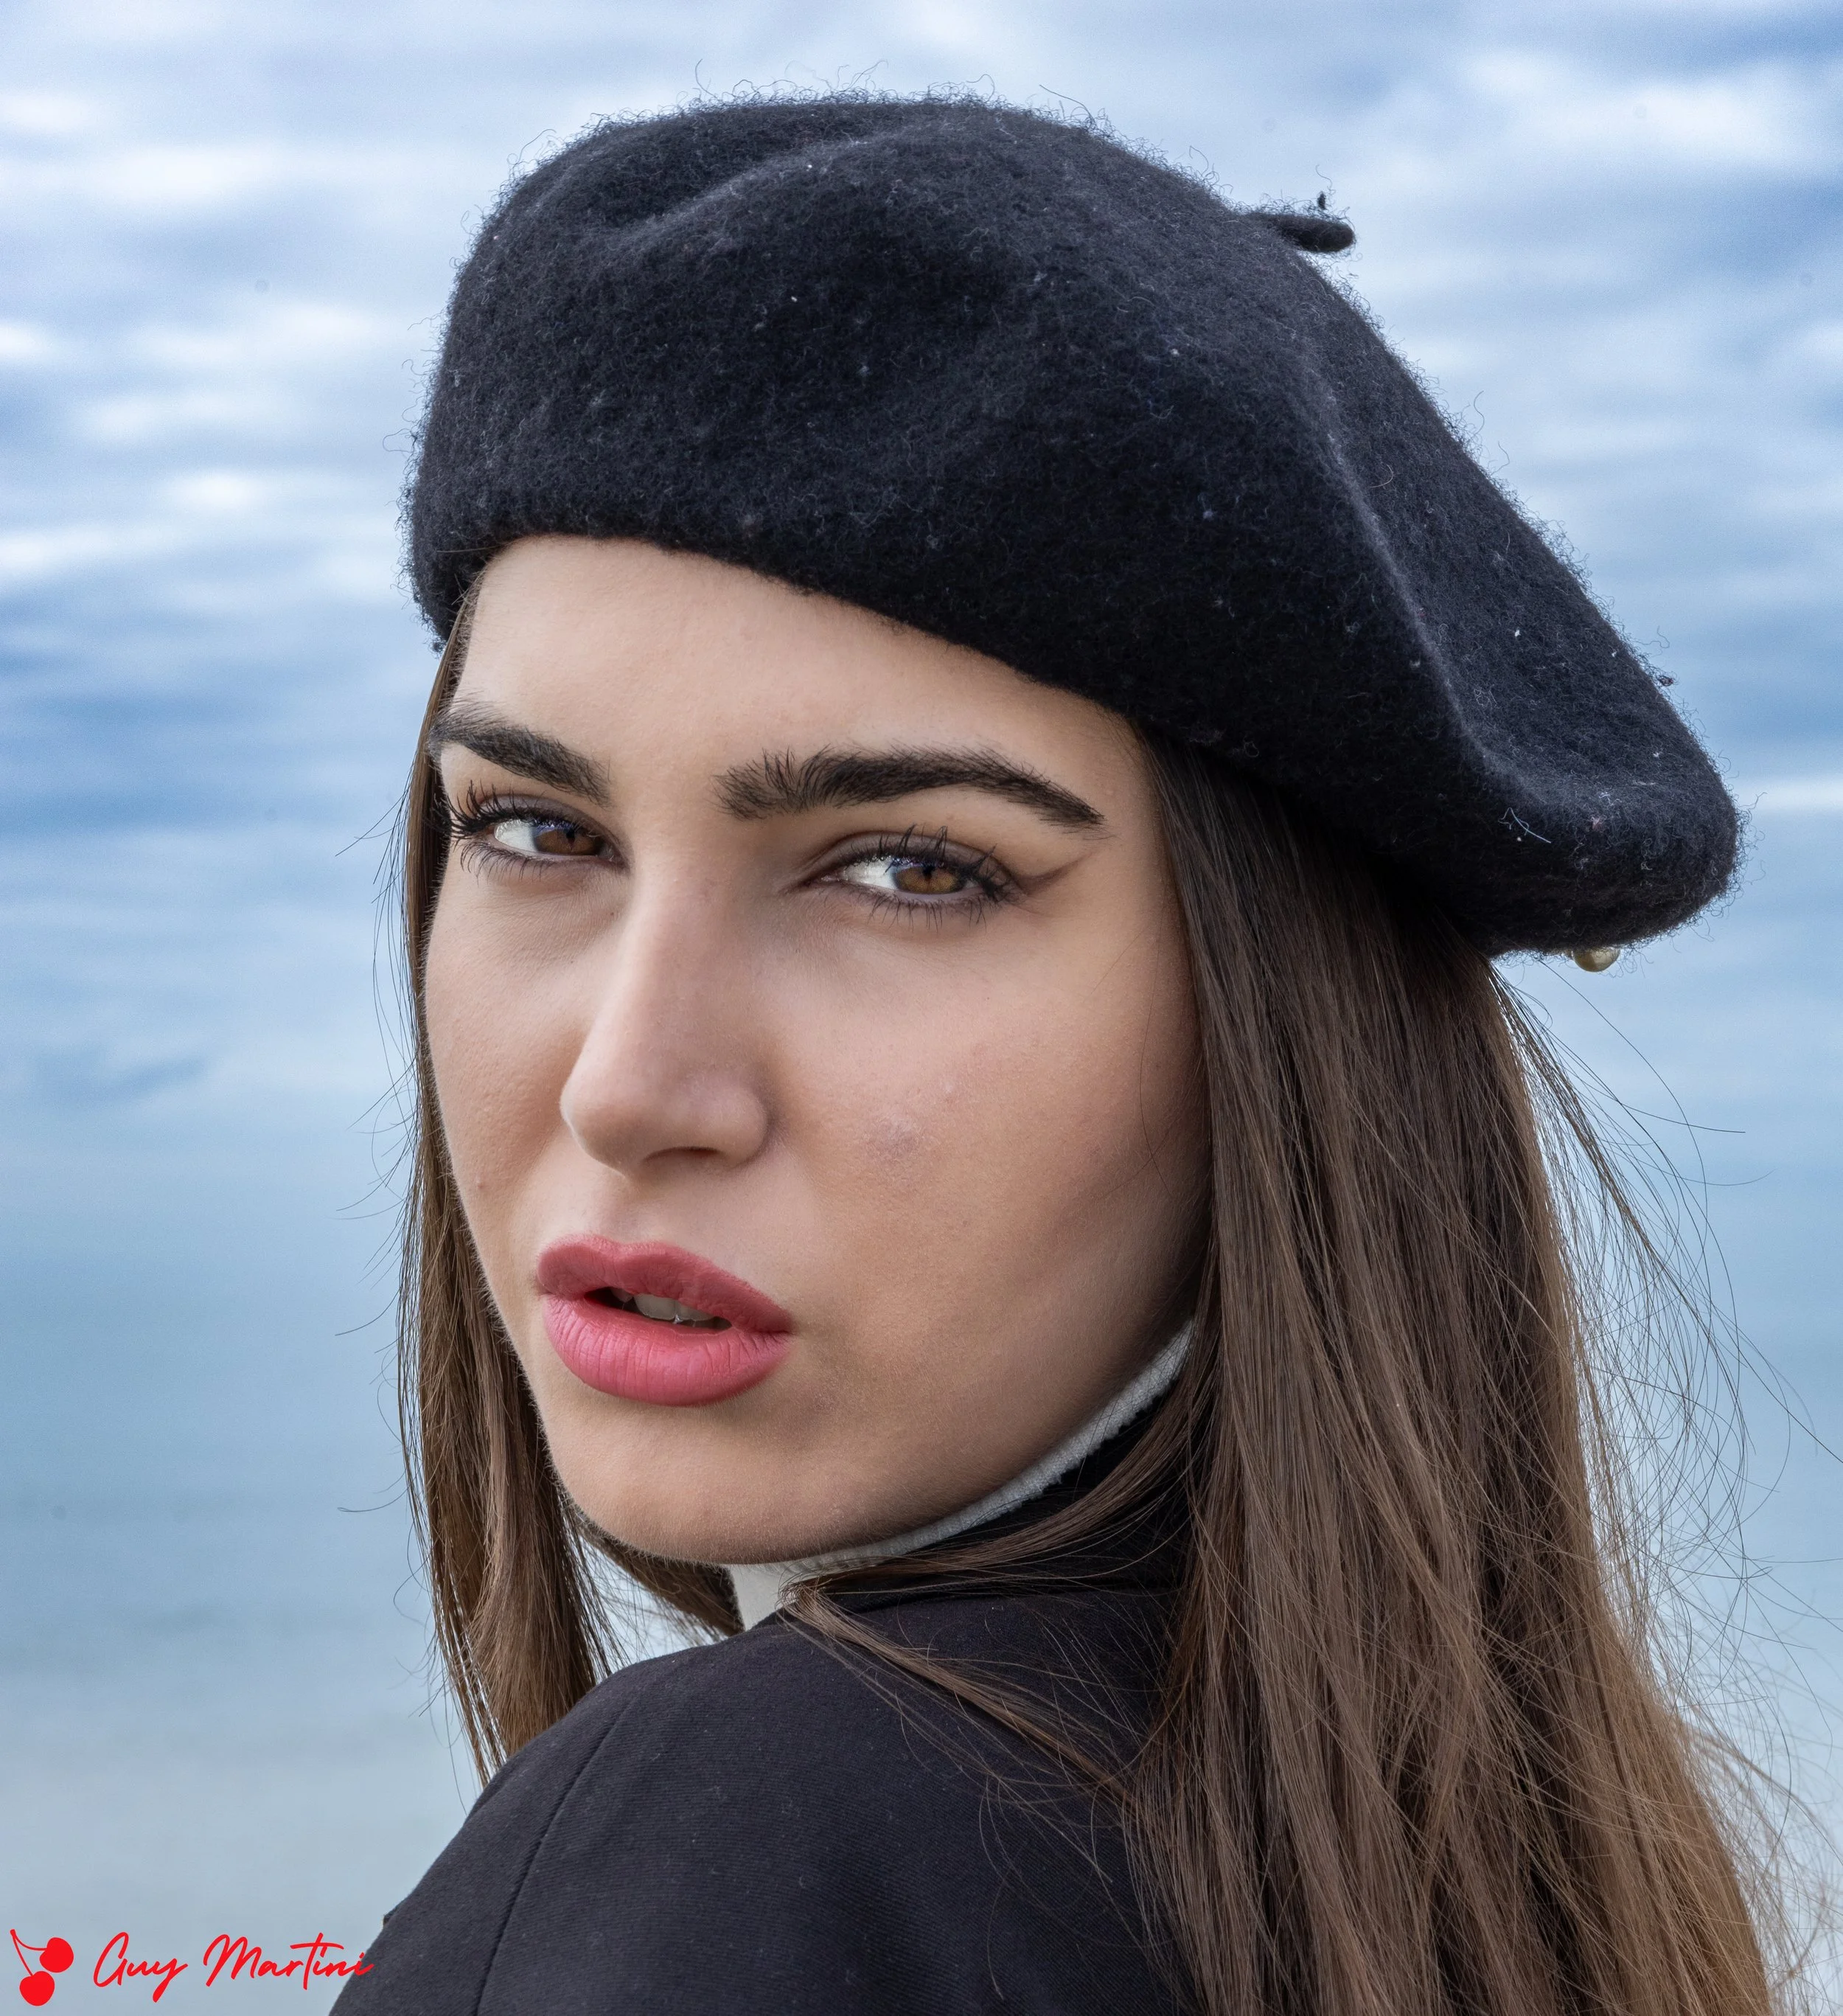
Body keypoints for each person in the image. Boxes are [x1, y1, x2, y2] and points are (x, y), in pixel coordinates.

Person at [335, 96, 1777, 2016]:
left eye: (910, 867)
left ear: (1276, 1037)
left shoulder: (750, 1844)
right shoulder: (1464, 1871)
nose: (628, 1083)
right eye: (536, 828)